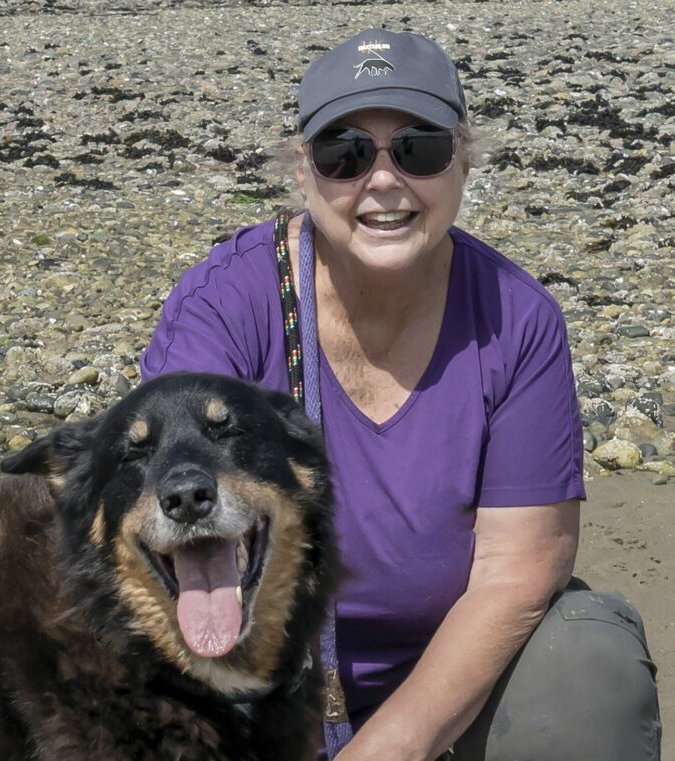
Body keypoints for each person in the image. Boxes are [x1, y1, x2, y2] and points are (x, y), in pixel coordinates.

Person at [140, 29, 661, 761]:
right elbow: (169, 534)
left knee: (584, 670)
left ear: (463, 160)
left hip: (448, 688)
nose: (381, 181)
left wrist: (391, 747)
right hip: (254, 688)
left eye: (417, 149)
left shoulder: (518, 319)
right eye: (344, 154)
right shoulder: (223, 308)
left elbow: (517, 570)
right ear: (301, 169)